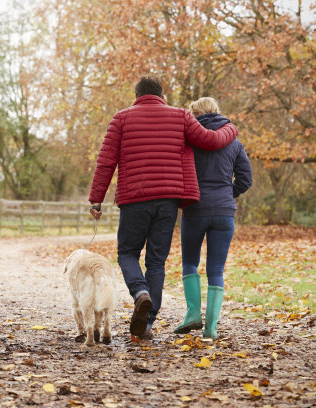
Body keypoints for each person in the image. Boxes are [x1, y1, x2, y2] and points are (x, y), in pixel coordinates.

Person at [88, 77, 239, 341]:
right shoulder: (181, 116)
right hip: (168, 200)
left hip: (134, 199)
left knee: (127, 252)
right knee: (156, 261)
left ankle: (140, 294)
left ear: (136, 94)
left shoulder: (121, 119)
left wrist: (96, 200)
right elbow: (212, 140)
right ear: (162, 95)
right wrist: (231, 129)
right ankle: (146, 323)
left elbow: (105, 162)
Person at [173, 97, 252, 339]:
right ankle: (211, 328)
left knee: (190, 263)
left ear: (195, 114)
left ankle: (193, 314)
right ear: (217, 111)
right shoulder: (235, 143)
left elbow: (179, 173)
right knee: (216, 269)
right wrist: (228, 194)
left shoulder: (189, 141)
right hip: (224, 212)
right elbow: (245, 180)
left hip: (195, 210)